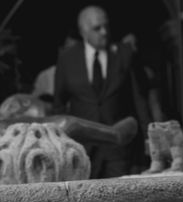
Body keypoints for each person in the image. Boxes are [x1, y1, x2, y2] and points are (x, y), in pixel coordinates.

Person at [54, 6, 152, 179]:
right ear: (83, 31)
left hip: (118, 146)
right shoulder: (67, 59)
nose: (104, 32)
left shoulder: (124, 53)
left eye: (106, 26)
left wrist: (149, 136)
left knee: (119, 198)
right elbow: (59, 104)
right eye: (97, 28)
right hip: (83, 147)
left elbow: (140, 99)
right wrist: (59, 144)